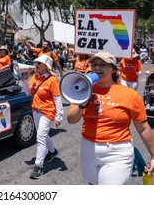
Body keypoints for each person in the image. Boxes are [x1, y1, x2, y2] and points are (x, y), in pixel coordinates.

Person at [66, 51, 154, 185]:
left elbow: (143, 128)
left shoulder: (130, 95)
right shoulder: (83, 89)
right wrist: (82, 104)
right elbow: (71, 120)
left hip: (117, 153)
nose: (97, 68)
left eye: (103, 64)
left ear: (113, 69)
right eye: (94, 64)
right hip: (88, 150)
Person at [24, 54, 64, 179]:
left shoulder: (52, 80)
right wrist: (25, 79)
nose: (37, 65)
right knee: (43, 134)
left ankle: (38, 166)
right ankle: (52, 151)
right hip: (35, 110)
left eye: (39, 63)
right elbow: (28, 92)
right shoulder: (34, 77)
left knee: (40, 137)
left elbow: (57, 99)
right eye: (36, 62)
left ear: (46, 66)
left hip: (47, 112)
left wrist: (59, 117)